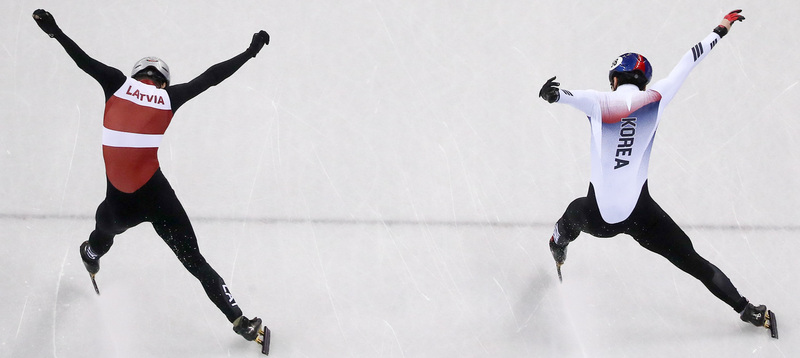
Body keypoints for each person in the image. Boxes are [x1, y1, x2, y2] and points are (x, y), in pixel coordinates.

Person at [32, 9, 270, 343]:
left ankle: (91, 255)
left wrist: (55, 31)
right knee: (195, 261)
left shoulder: (116, 83)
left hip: (119, 204)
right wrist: (249, 53)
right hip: (158, 197)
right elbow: (211, 77)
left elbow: (83, 60)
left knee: (102, 235)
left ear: (138, 74)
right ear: (162, 80)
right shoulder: (169, 97)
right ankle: (240, 321)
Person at [538, 10, 777, 336]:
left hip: (598, 217)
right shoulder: (657, 96)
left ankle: (558, 246)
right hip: (643, 216)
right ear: (643, 80)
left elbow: (564, 96)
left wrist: (553, 95)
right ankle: (747, 309)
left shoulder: (597, 102)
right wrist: (721, 29)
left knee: (572, 215)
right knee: (693, 261)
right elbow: (689, 60)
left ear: (614, 80)